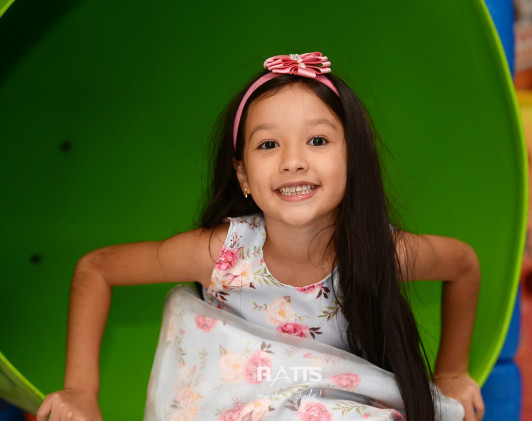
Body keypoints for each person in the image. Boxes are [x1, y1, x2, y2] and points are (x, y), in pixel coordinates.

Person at [37, 52, 484, 421]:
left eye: (318, 140)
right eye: (269, 145)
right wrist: (80, 391)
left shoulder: (381, 253)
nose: (293, 161)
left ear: (354, 161)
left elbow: (463, 264)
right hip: (228, 405)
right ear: (244, 176)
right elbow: (97, 269)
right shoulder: (223, 255)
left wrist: (452, 372)